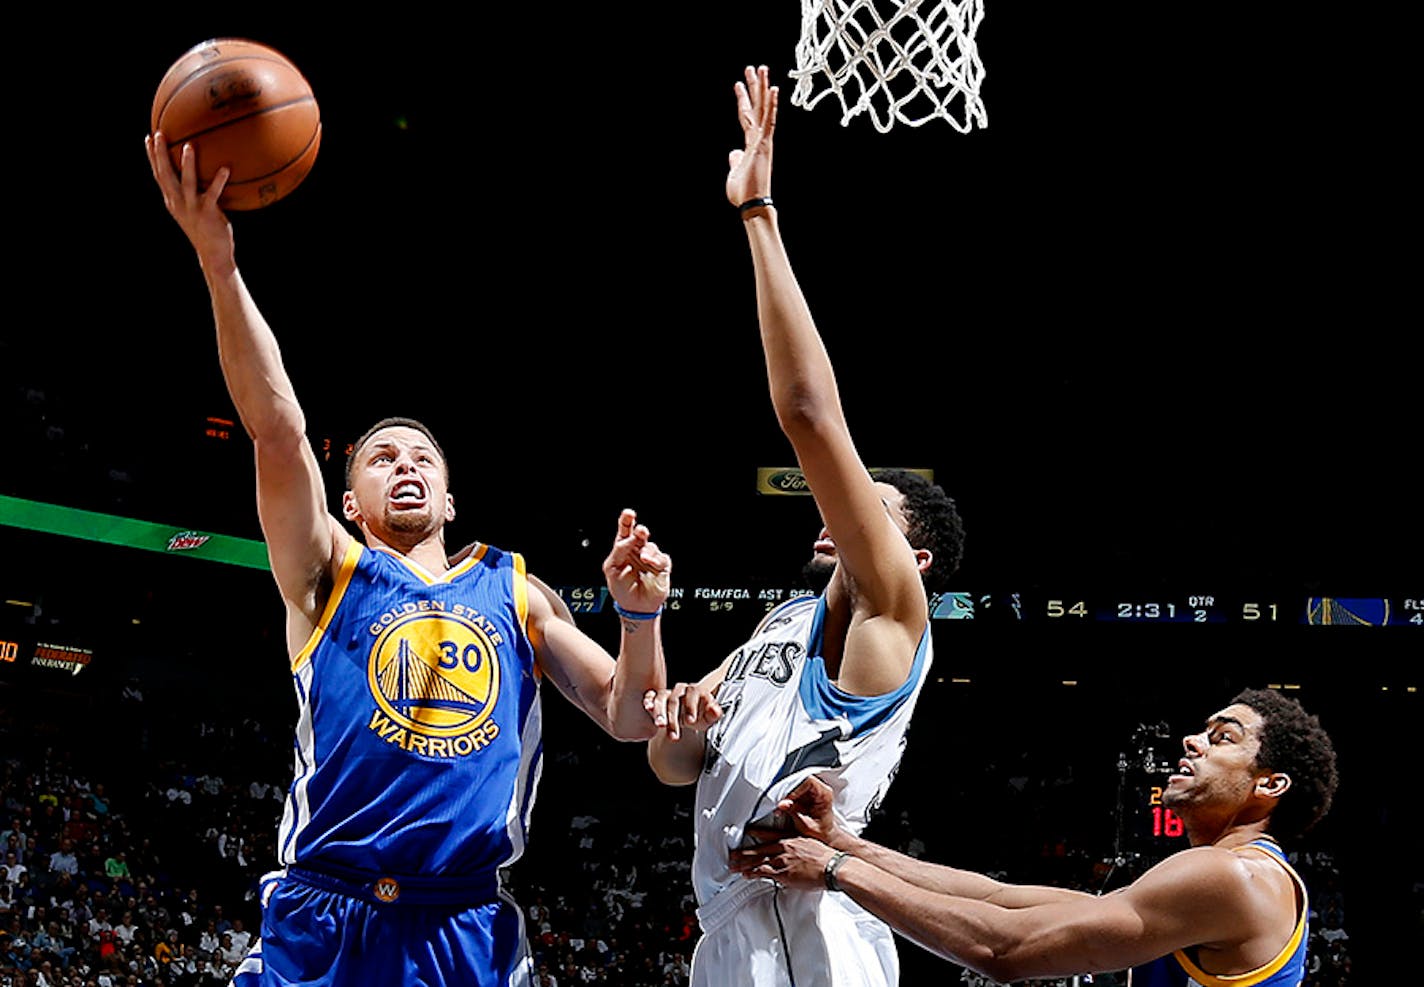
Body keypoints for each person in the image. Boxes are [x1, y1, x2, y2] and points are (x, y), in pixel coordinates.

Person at [144, 127, 673, 987]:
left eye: (423, 458)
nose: (406, 466)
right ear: (347, 501)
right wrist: (218, 262)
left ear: (452, 497)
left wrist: (641, 617)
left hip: (463, 923)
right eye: (382, 458)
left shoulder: (516, 588)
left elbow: (632, 714)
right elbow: (276, 428)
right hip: (322, 911)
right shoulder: (327, 570)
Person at [641, 66, 965, 987]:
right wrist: (678, 713)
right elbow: (676, 764)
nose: (837, 507)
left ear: (917, 554)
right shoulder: (782, 623)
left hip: (816, 924)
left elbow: (810, 415)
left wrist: (758, 215)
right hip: (727, 925)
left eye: (869, 504)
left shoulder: (894, 612)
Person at [733, 688, 1339, 986]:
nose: (1192, 741)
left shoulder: (1228, 876)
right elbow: (996, 900)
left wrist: (837, 873)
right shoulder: (1230, 877)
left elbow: (1005, 953)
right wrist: (845, 843)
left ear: (1271, 784)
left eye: (1223, 737)